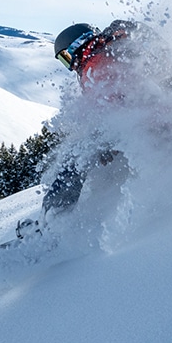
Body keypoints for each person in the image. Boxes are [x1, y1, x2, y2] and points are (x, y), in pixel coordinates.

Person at [16, 20, 149, 239]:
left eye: (66, 57)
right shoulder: (111, 52)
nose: (69, 65)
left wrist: (106, 140)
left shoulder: (96, 65)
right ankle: (77, 212)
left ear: (76, 46)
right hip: (146, 120)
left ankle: (54, 219)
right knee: (85, 154)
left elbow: (116, 104)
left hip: (139, 122)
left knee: (75, 156)